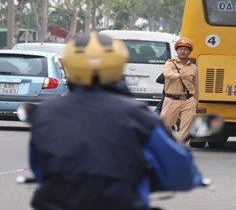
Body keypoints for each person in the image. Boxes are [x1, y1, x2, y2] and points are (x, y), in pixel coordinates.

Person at [27, 32, 203, 210]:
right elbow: (181, 173)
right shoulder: (138, 116)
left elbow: (39, 167)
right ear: (119, 65)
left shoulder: (45, 114)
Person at [161, 37, 199, 142]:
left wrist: (195, 101)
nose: (183, 51)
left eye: (186, 49)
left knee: (186, 128)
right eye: (180, 49)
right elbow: (167, 74)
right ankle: (167, 145)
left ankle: (182, 149)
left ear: (189, 52)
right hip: (171, 99)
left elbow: (196, 86)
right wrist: (179, 75)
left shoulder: (193, 67)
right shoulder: (170, 63)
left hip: (188, 100)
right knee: (164, 124)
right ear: (177, 51)